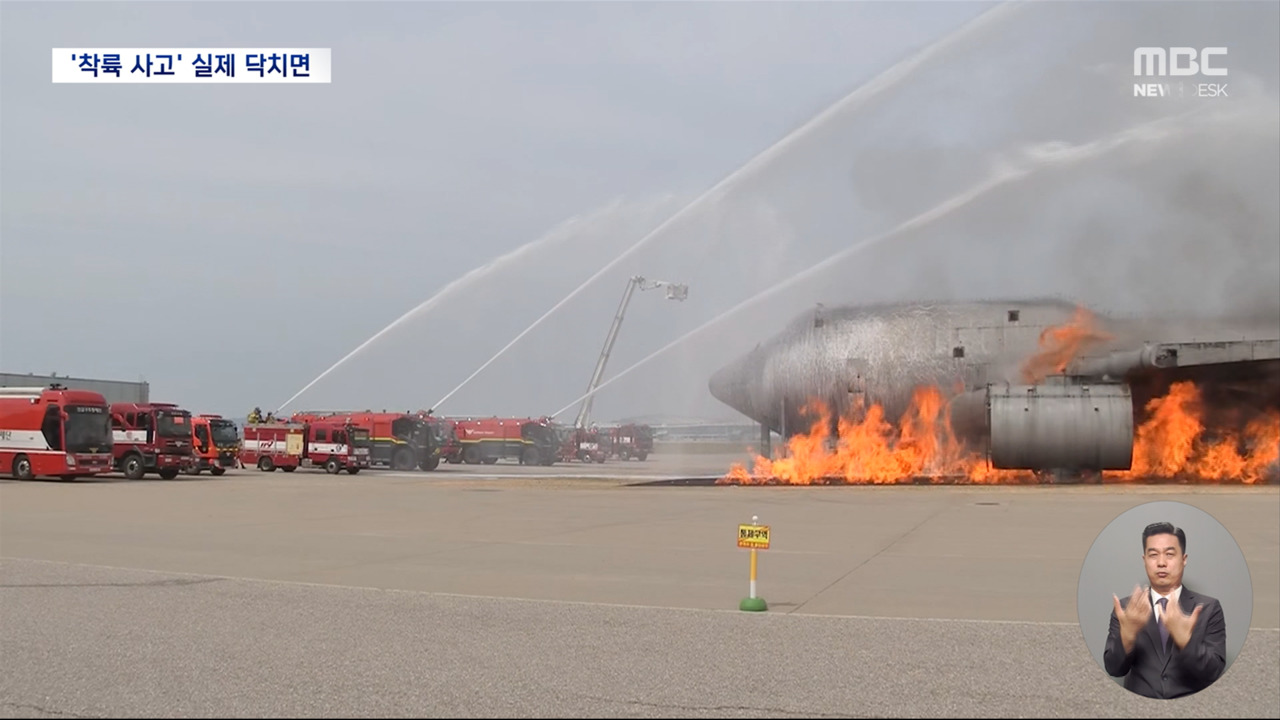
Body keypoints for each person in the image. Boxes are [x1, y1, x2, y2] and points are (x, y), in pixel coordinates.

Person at [1103, 521, 1227, 699]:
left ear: (1183, 560)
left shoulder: (1209, 608)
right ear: (1145, 560)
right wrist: (1127, 636)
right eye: (1153, 555)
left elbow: (1213, 673)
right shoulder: (1126, 609)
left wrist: (1186, 641)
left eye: (1169, 554)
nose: (1161, 563)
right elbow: (1114, 669)